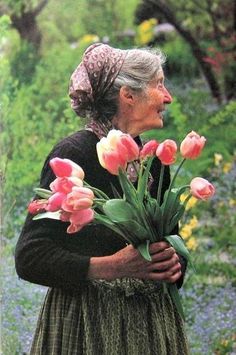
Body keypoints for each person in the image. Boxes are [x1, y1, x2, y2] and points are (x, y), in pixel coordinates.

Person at [15, 43, 189, 355]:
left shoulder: (155, 161)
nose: (168, 97)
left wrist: (174, 264)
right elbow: (30, 257)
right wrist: (112, 266)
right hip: (86, 329)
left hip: (151, 329)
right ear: (128, 95)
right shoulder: (75, 154)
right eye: (159, 84)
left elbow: (171, 241)